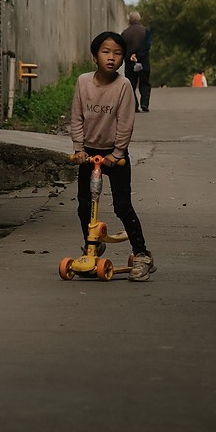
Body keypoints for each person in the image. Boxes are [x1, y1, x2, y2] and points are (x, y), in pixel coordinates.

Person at [69, 31, 155, 282]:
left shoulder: (123, 85)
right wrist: (78, 149)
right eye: (105, 52)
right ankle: (92, 246)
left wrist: (117, 152)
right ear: (94, 56)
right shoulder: (83, 82)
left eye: (118, 54)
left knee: (122, 205)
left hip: (115, 155)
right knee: (84, 204)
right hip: (88, 152)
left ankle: (142, 254)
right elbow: (77, 117)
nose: (111, 58)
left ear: (123, 59)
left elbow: (125, 121)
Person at [121, 11, 152, 113]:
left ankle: (134, 105)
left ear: (129, 20)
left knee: (130, 85)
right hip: (143, 62)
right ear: (139, 19)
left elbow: (122, 48)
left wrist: (131, 56)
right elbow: (147, 46)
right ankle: (144, 104)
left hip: (130, 63)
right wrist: (138, 56)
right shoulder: (146, 31)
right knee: (145, 83)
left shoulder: (124, 33)